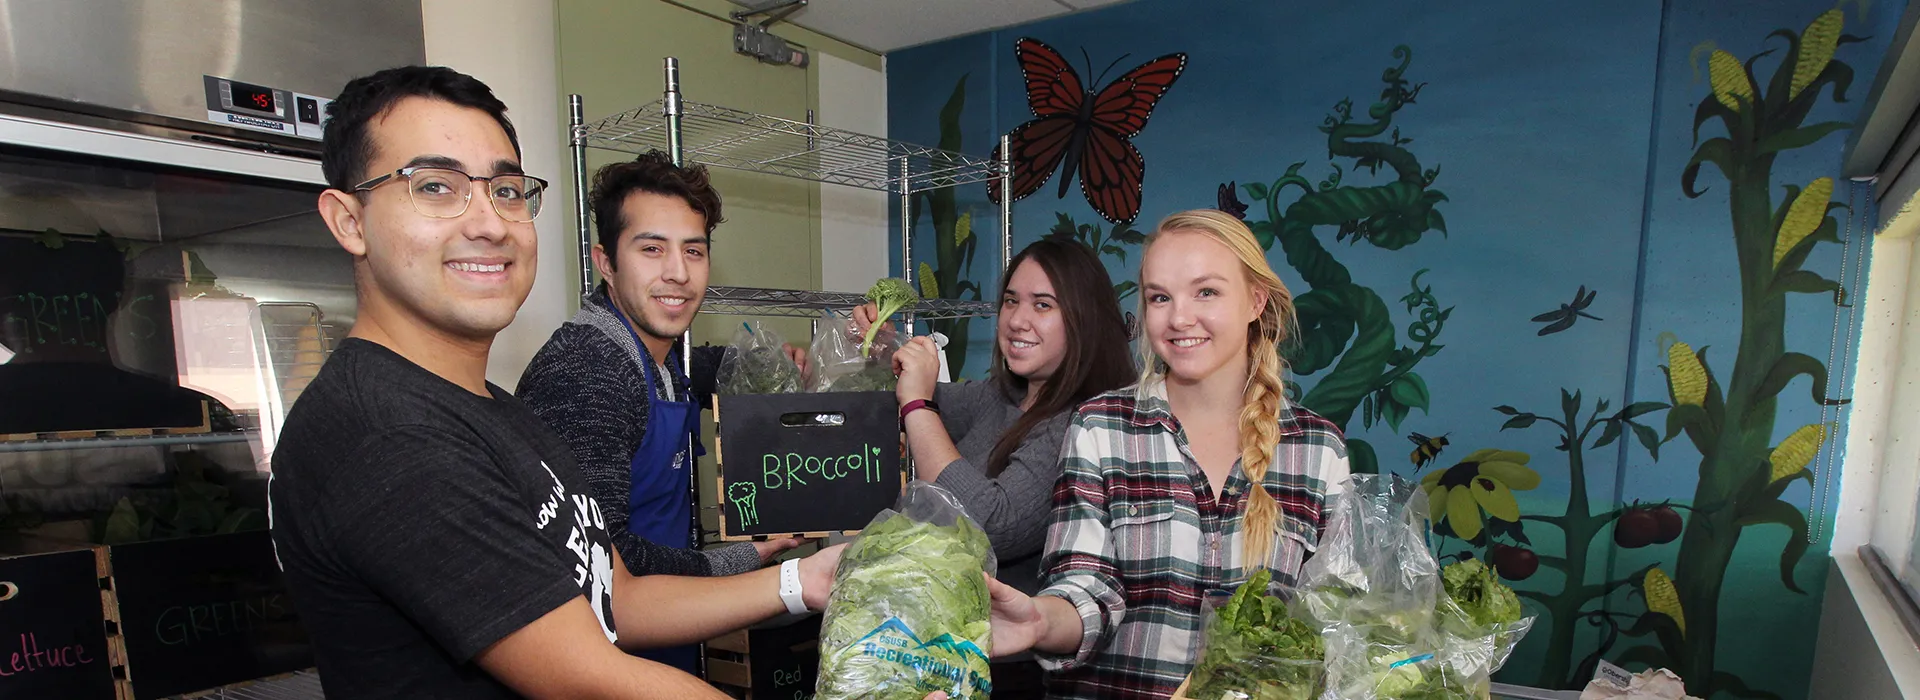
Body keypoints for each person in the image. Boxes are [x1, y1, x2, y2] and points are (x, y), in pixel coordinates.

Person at [269, 66, 847, 700]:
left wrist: (804, 580)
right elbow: (587, 677)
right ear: (349, 221)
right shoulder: (390, 434)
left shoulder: (494, 411)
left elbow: (616, 597)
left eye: (507, 191)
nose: (489, 223)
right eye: (435, 186)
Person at [983, 210, 1351, 699]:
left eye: (1206, 292)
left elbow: (1336, 619)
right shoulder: (1101, 426)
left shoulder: (1318, 449)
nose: (1179, 318)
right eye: (1160, 297)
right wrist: (1039, 621)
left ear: (1255, 300)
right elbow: (1084, 587)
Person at [515, 152, 806, 671]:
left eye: (693, 251)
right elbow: (605, 561)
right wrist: (743, 561)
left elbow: (705, 368)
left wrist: (792, 359)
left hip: (666, 636)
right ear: (606, 262)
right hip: (605, 661)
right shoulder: (587, 372)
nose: (678, 273)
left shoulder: (660, 356)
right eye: (652, 249)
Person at [853, 238, 1133, 698]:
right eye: (1011, 301)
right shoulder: (1001, 397)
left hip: (1012, 669)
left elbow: (991, 525)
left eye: (1042, 305)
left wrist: (918, 404)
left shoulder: (1082, 422)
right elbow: (903, 397)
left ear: (1085, 318)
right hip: (942, 654)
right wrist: (885, 348)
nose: (1017, 320)